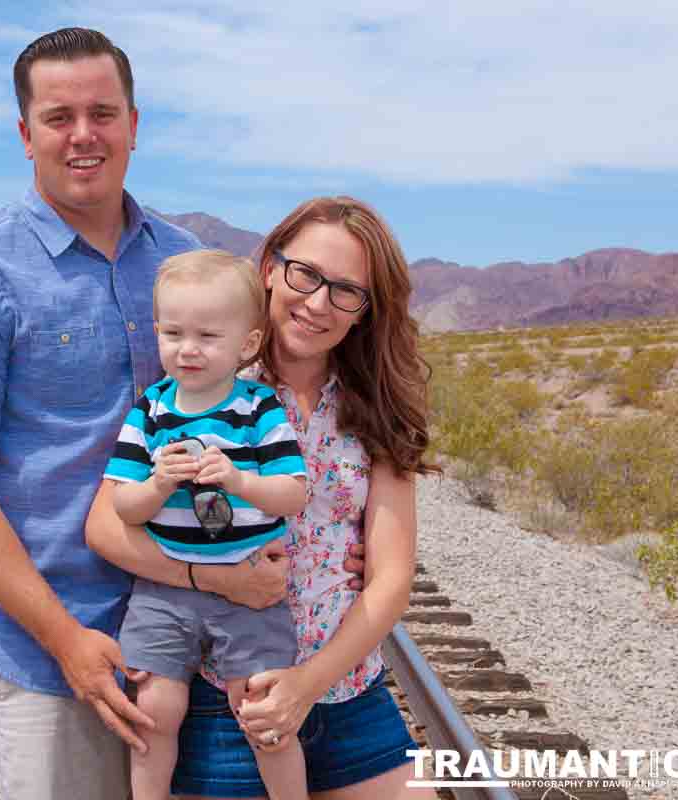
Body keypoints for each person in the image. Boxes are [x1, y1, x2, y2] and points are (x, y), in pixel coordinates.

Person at [0, 27, 290, 800]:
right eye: (59, 116)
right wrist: (66, 642)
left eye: (104, 113)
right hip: (57, 650)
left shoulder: (186, 263)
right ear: (25, 134)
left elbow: (269, 410)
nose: (84, 135)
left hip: (201, 632)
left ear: (135, 125)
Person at [86, 195, 439, 799]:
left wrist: (306, 685)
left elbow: (391, 579)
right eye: (306, 274)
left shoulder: (373, 410)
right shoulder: (202, 387)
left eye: (346, 291)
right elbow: (104, 527)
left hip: (346, 694)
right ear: (270, 270)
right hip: (232, 699)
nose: (318, 302)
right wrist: (210, 581)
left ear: (365, 310)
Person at [103, 250, 309, 800]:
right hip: (164, 591)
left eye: (207, 336)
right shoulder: (149, 410)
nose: (187, 348)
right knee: (155, 708)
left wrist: (240, 482)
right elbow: (124, 508)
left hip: (249, 589)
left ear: (246, 344)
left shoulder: (258, 408)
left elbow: (293, 493)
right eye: (173, 332)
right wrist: (158, 485)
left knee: (262, 713)